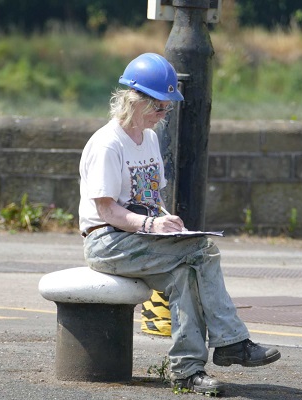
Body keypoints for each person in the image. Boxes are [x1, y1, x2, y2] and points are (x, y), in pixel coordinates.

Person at [78, 52, 281, 395]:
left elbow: (151, 197)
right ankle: (232, 342)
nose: (164, 113)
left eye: (167, 107)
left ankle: (187, 373)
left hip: (138, 239)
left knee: (185, 275)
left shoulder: (151, 139)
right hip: (107, 241)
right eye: (159, 106)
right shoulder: (107, 143)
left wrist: (165, 220)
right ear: (134, 100)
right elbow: (108, 211)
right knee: (202, 249)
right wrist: (151, 226)